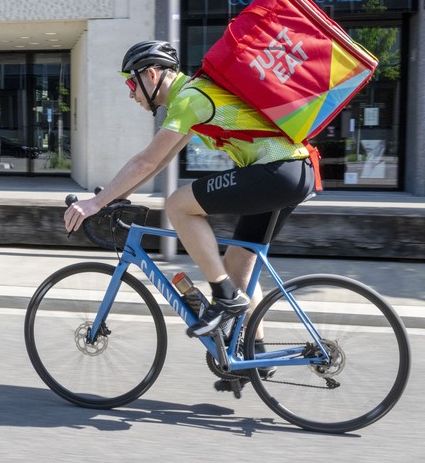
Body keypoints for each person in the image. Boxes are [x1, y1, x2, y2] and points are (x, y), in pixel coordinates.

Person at [64, 41, 316, 374]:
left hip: (278, 171)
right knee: (238, 261)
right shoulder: (194, 98)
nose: (130, 94)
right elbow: (157, 164)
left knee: (178, 205)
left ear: (152, 75)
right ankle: (253, 358)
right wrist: (110, 196)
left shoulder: (190, 98)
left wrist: (95, 203)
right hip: (292, 172)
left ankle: (224, 296)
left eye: (130, 83)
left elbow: (145, 160)